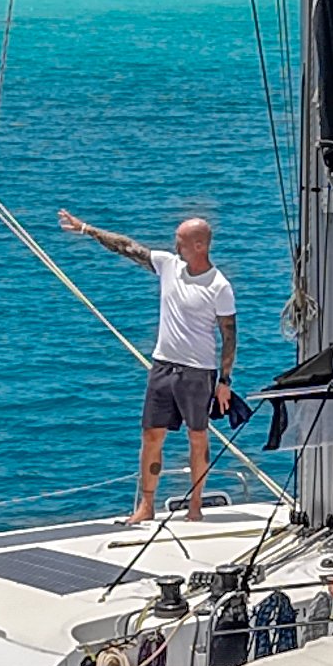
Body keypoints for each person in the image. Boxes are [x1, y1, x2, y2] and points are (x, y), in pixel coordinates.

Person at [54, 208, 236, 521]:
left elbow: (229, 336)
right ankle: (146, 505)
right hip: (163, 365)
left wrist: (225, 381)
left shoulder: (219, 286)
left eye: (180, 241)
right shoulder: (168, 265)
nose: (174, 245)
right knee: (152, 435)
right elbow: (126, 247)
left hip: (197, 371)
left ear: (199, 246)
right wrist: (86, 228)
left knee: (197, 436)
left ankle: (196, 507)